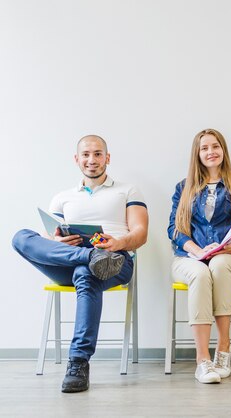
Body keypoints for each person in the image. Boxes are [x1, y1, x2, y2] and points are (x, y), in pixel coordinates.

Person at [12, 135, 148, 393]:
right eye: (86, 154)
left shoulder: (128, 190)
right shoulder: (62, 197)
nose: (92, 160)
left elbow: (140, 234)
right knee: (21, 237)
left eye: (98, 154)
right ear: (77, 159)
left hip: (115, 259)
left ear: (107, 158)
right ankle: (89, 257)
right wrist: (59, 243)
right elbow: (52, 237)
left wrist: (116, 244)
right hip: (72, 259)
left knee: (87, 274)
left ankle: (78, 361)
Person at [168, 128, 231, 384]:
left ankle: (223, 347)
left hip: (228, 258)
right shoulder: (183, 187)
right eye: (204, 148)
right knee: (202, 273)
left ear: (223, 150)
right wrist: (195, 249)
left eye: (215, 146)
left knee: (218, 265)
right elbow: (173, 228)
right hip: (188, 259)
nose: (210, 152)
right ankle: (203, 360)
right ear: (197, 154)